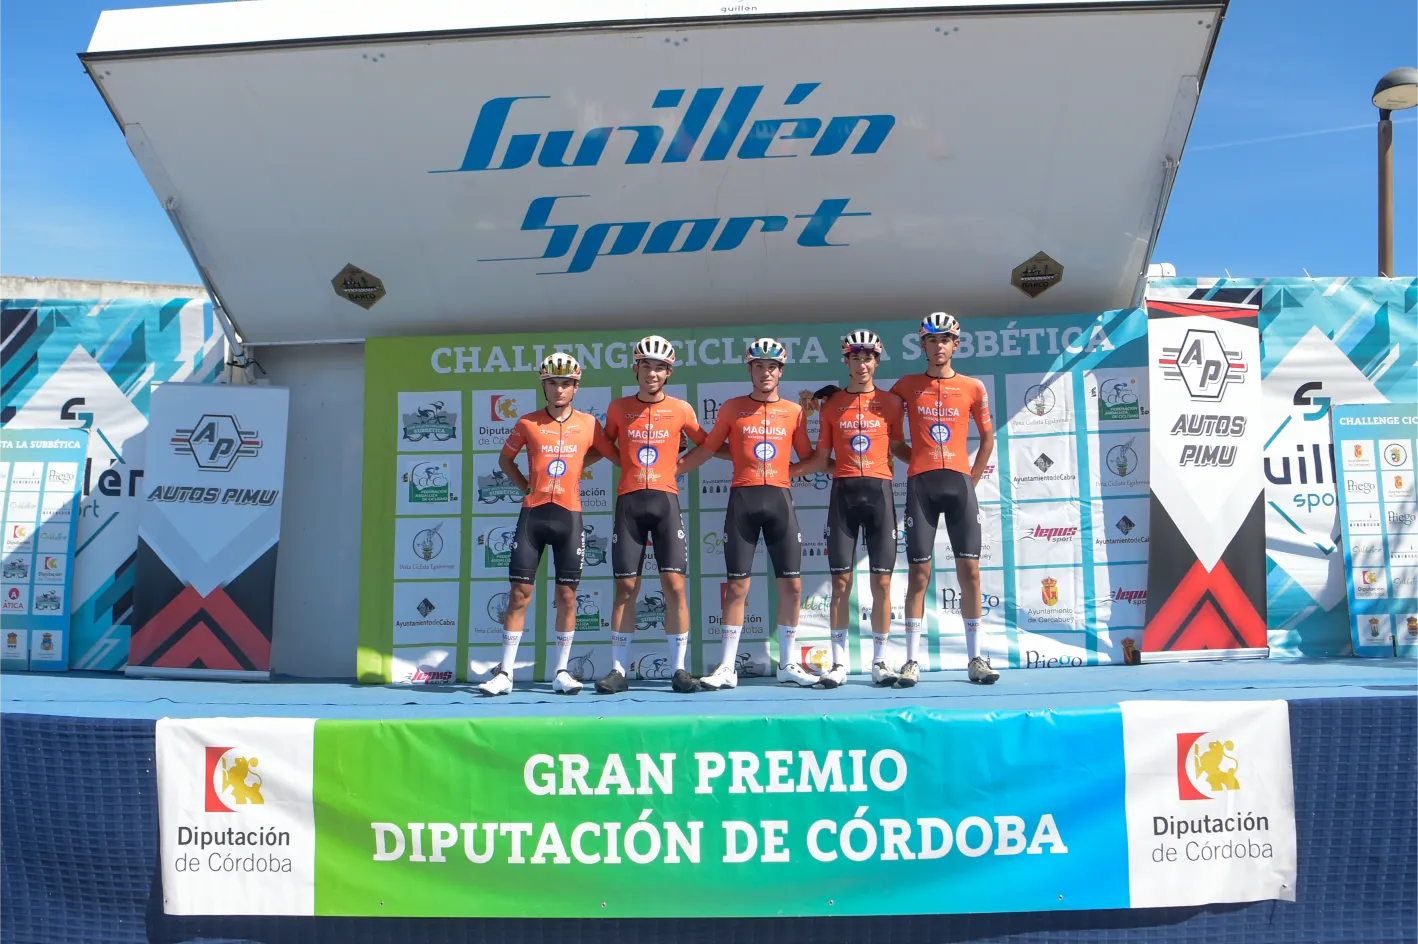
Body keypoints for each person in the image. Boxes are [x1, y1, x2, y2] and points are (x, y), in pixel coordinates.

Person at [676, 338, 817, 691]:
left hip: (780, 499)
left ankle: (787, 664)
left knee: (793, 585)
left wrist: (785, 473)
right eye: (758, 366)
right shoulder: (733, 408)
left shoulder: (793, 412)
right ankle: (727, 666)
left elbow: (808, 457)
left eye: (772, 367)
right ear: (750, 370)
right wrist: (671, 470)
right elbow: (709, 448)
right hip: (743, 499)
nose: (765, 372)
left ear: (780, 372)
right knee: (737, 586)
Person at [480, 352, 618, 696]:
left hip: (569, 516)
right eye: (553, 383)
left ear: (576, 388)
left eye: (566, 383)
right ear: (543, 386)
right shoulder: (528, 422)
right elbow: (505, 459)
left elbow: (612, 452)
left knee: (567, 596)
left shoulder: (589, 424)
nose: (559, 389)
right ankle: (505, 673)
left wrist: (580, 462)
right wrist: (525, 486)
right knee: (519, 594)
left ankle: (561, 672)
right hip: (534, 514)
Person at [791, 329, 908, 688]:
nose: (862, 364)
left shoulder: (891, 403)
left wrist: (932, 463)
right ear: (846, 362)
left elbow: (900, 447)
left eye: (868, 358)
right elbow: (820, 459)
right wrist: (782, 473)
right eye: (855, 358)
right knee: (840, 582)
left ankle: (880, 662)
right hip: (843, 495)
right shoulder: (832, 405)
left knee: (882, 583)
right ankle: (839, 664)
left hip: (880, 495)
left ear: (877, 361)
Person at [891, 312, 999, 685]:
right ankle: (911, 660)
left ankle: (976, 659)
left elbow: (988, 438)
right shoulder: (905, 386)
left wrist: (971, 478)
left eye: (945, 339)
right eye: (932, 340)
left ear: (956, 344)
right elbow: (891, 437)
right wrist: (919, 461)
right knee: (918, 574)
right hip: (921, 487)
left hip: (959, 486)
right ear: (922, 345)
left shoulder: (973, 387)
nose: (939, 346)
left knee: (970, 572)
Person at [597, 335, 706, 696]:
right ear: (636, 368)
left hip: (665, 503)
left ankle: (678, 669)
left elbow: (707, 443)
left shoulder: (681, 409)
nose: (652, 373)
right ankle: (618, 670)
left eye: (660, 367)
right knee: (626, 588)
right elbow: (602, 443)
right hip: (629, 503)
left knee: (674, 586)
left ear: (668, 373)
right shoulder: (618, 408)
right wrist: (624, 463)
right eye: (646, 365)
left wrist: (679, 467)